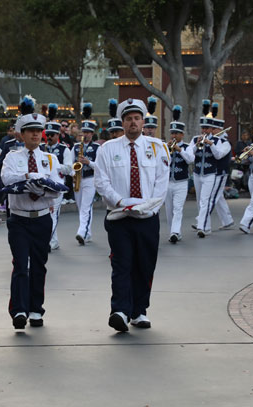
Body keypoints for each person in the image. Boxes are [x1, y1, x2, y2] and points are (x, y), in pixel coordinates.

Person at [94, 98, 170, 332]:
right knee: (122, 264)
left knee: (145, 265)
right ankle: (119, 310)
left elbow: (161, 183)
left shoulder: (158, 147)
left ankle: (139, 311)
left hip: (147, 217)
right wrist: (121, 202)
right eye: (128, 119)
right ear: (122, 122)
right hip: (119, 217)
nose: (133, 123)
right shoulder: (107, 149)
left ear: (143, 121)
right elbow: (101, 181)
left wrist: (147, 207)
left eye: (137, 118)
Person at [1, 96, 63, 329]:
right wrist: (30, 177)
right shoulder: (12, 157)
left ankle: (36, 308)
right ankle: (19, 310)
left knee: (39, 264)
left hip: (41, 219)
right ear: (21, 134)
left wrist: (41, 188)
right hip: (19, 219)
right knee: (20, 265)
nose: (36, 135)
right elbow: (8, 180)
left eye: (39, 131)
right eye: (30, 131)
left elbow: (57, 190)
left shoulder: (50, 158)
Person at [186, 100, 218, 238]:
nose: (204, 131)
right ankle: (207, 226)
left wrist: (210, 144)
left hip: (210, 173)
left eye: (207, 128)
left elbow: (218, 155)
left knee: (205, 200)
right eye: (203, 128)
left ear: (211, 129)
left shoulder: (217, 140)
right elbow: (189, 155)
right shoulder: (194, 139)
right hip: (198, 173)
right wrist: (196, 144)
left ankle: (201, 226)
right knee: (200, 201)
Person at [44, 104, 73, 250]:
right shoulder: (41, 149)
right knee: (45, 215)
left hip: (56, 185)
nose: (49, 137)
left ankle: (48, 241)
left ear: (57, 135)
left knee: (53, 214)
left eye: (52, 135)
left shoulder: (64, 149)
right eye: (47, 135)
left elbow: (69, 168)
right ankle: (53, 241)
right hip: (42, 186)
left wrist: (55, 166)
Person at [72, 103, 100, 245]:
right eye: (84, 132)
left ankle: (81, 232)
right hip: (78, 179)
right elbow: (70, 163)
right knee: (81, 207)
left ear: (93, 133)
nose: (86, 134)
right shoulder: (76, 147)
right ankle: (87, 232)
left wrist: (89, 162)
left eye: (89, 132)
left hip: (90, 179)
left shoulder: (97, 147)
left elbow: (100, 167)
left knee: (85, 207)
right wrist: (73, 172)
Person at [166, 106, 194, 243]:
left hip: (181, 182)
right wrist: (168, 151)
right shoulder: (166, 146)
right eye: (172, 133)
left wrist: (179, 150)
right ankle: (174, 231)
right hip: (168, 182)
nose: (174, 136)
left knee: (178, 208)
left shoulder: (188, 147)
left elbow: (190, 159)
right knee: (169, 210)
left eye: (176, 133)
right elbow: (163, 163)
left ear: (182, 134)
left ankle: (175, 232)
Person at [207, 113, 235, 230]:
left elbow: (218, 155)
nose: (212, 131)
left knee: (213, 196)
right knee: (219, 197)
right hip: (213, 172)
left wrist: (211, 144)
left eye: (214, 129)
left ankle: (201, 219)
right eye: (211, 129)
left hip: (221, 172)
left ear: (220, 129)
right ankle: (227, 220)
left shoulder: (225, 142)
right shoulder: (213, 139)